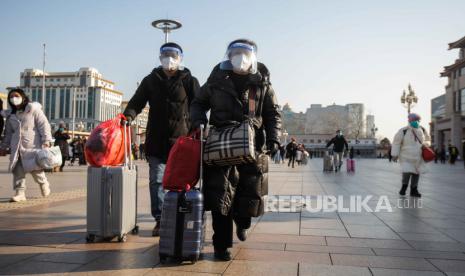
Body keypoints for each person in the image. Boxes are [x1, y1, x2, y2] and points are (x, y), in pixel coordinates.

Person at [190, 39, 281, 261]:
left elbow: (273, 113)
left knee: (248, 195)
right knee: (221, 198)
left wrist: (274, 138)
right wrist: (199, 122)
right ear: (228, 56)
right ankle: (222, 246)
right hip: (221, 146)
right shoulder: (216, 80)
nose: (240, 57)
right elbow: (198, 103)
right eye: (235, 52)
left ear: (253, 57)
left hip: (252, 147)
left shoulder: (262, 84)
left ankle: (243, 222)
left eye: (245, 53)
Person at [123, 42, 199, 237]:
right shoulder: (151, 80)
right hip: (156, 139)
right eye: (166, 55)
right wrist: (128, 116)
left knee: (181, 182)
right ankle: (161, 219)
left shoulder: (189, 80)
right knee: (157, 180)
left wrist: (198, 122)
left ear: (180, 58)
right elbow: (136, 102)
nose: (169, 59)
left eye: (174, 55)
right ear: (160, 58)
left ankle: (178, 216)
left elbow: (199, 104)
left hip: (182, 143)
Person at [0, 88, 52, 202]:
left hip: (32, 146)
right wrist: (3, 147)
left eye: (16, 96)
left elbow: (44, 125)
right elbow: (8, 133)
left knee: (35, 170)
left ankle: (44, 183)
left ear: (23, 97)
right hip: (17, 147)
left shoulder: (33, 110)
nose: (14, 99)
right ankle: (20, 193)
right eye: (11, 97)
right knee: (18, 170)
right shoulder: (10, 116)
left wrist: (46, 141)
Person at [391, 113, 430, 198]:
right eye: (413, 120)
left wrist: (426, 144)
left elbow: (428, 140)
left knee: (417, 172)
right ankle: (404, 188)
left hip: (418, 155)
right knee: (407, 172)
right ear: (409, 120)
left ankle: (414, 190)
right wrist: (395, 154)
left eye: (417, 120)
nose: (415, 121)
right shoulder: (403, 130)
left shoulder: (422, 130)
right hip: (406, 156)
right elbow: (396, 143)